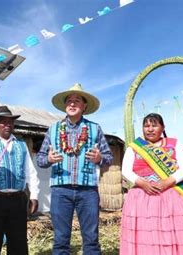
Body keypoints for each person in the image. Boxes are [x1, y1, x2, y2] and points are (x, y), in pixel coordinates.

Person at [36, 83, 113, 255]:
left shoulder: (95, 128)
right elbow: (40, 159)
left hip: (88, 191)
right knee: (61, 239)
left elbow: (109, 159)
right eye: (69, 101)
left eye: (77, 101)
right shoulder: (53, 129)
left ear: (84, 106)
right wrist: (48, 159)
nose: (72, 104)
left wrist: (100, 158)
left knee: (91, 239)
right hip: (60, 190)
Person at [120, 113, 183, 254]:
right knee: (146, 234)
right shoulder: (135, 147)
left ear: (163, 127)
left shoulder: (174, 144)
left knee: (174, 232)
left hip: (172, 196)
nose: (150, 129)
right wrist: (143, 183)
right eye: (146, 126)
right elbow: (126, 170)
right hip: (142, 197)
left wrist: (167, 182)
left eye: (154, 125)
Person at [0, 105, 40, 254]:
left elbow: (30, 172)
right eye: (3, 122)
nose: (7, 125)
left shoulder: (21, 145)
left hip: (18, 200)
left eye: (10, 122)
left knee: (18, 241)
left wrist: (34, 196)